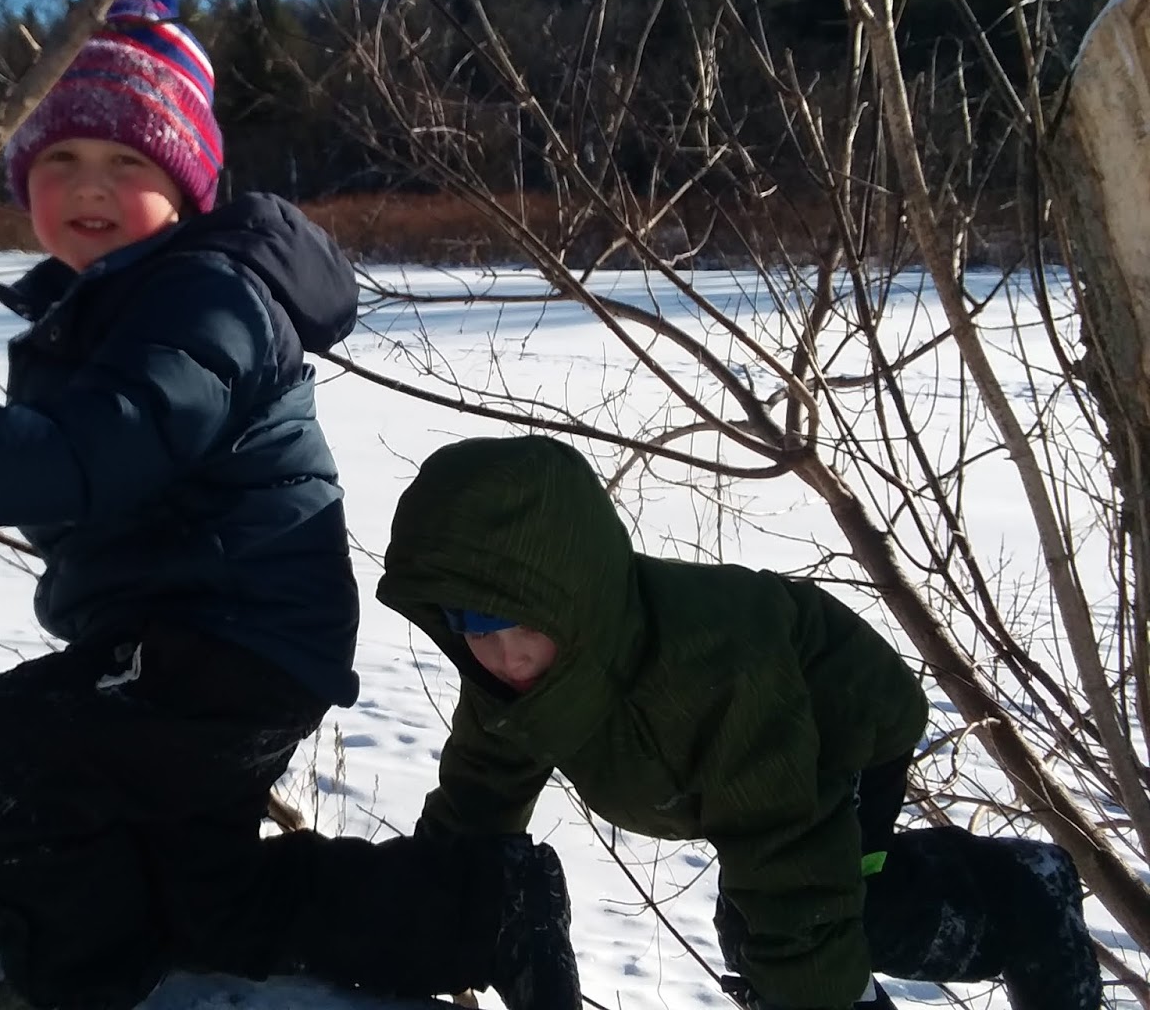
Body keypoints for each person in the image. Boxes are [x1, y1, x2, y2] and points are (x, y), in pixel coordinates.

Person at [0, 0, 580, 1010]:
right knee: (208, 900)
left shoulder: (206, 300)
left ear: (187, 183)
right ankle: (483, 909)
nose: (88, 187)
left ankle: (74, 980)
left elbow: (77, 460)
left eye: (128, 160)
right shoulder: (113, 306)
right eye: (61, 157)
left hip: (228, 640)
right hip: (213, 639)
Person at [376, 433, 1104, 1010]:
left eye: (523, 623)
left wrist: (815, 991)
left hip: (835, 724)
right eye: (473, 624)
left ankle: (1025, 897)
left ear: (574, 597)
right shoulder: (514, 683)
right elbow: (476, 802)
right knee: (770, 931)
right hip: (744, 767)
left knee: (822, 917)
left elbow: (786, 845)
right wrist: (413, 919)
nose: (504, 654)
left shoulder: (713, 670)